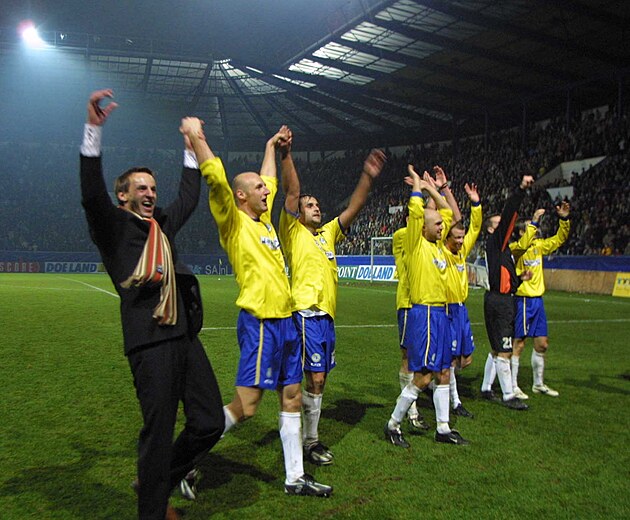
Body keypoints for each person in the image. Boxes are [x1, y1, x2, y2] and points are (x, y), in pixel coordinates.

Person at [79, 90, 224, 520]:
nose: (149, 193)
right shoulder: (112, 226)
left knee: (210, 421)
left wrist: (190, 147)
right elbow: (90, 193)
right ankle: (153, 509)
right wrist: (93, 131)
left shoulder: (161, 223)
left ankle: (154, 480)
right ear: (122, 197)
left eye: (153, 188)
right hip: (149, 341)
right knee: (158, 434)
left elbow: (189, 197)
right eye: (140, 188)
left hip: (183, 335)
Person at [181, 119, 332, 497]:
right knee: (246, 406)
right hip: (260, 322)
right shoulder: (232, 222)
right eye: (260, 188)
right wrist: (197, 137)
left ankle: (294, 478)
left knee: (291, 396)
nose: (267, 190)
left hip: (286, 322)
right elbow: (215, 177)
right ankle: (184, 461)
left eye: (266, 187)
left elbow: (271, 177)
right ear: (241, 196)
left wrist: (270, 146)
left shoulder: (264, 220)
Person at [277, 131, 386, 465]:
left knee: (320, 382)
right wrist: (286, 155)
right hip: (304, 314)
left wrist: (367, 176)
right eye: (310, 206)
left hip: (326, 317)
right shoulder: (291, 230)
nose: (316, 208)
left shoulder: (328, 233)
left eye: (317, 205)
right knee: (315, 378)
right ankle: (307, 441)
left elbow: (355, 207)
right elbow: (291, 192)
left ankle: (307, 437)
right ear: (299, 213)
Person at [384, 166, 469, 448]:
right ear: (422, 226)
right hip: (425, 314)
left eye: (442, 225)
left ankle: (443, 427)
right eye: (437, 225)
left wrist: (434, 188)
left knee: (444, 371)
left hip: (441, 314)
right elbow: (418, 211)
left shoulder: (438, 247)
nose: (443, 227)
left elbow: (449, 213)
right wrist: (418, 187)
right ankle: (393, 423)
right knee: (423, 377)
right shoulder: (414, 243)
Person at [479, 174, 540, 411]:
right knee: (505, 349)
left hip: (496, 297)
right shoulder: (497, 241)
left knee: (497, 347)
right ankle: (508, 395)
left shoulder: (501, 250)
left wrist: (518, 280)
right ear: (492, 229)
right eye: (499, 223)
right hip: (500, 302)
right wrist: (521, 190)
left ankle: (486, 387)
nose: (506, 226)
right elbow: (508, 215)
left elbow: (502, 274)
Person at [510, 201, 571, 398]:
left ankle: (538, 384)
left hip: (538, 300)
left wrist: (564, 220)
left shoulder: (538, 246)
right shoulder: (516, 248)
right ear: (522, 232)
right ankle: (513, 386)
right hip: (523, 300)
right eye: (530, 228)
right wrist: (535, 220)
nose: (535, 231)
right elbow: (522, 245)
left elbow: (559, 239)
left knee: (542, 344)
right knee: (519, 344)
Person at [443, 182, 482, 419]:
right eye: (456, 238)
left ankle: (439, 384)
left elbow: (475, 227)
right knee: (449, 360)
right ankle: (455, 401)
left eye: (461, 238)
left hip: (461, 311)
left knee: (465, 360)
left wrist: (475, 203)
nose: (460, 241)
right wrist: (443, 191)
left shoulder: (461, 251)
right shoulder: (442, 252)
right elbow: (451, 216)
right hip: (446, 310)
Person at [392, 218, 430, 433]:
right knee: (408, 358)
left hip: (427, 306)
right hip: (408, 305)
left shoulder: (426, 243)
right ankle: (411, 411)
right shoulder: (401, 236)